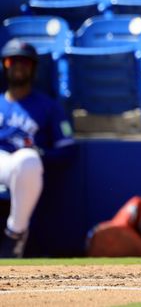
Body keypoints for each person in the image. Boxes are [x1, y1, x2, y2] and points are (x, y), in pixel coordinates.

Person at [0, 40, 76, 258]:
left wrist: (43, 155)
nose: (18, 66)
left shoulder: (48, 106)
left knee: (27, 159)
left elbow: (68, 150)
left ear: (33, 67)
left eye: (24, 62)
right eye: (12, 61)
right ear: (4, 64)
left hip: (28, 168)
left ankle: (15, 235)